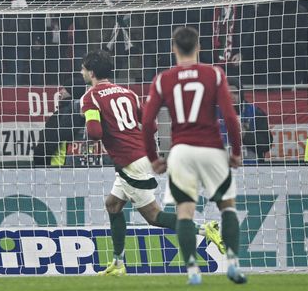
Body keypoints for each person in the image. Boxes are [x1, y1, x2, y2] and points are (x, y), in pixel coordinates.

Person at [80, 49, 224, 276]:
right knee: (112, 205)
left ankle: (205, 229)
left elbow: (95, 132)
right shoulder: (127, 93)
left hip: (129, 161)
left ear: (91, 72)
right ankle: (118, 264)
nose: (81, 71)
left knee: (154, 216)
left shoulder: (90, 97)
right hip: (142, 155)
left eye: (83, 68)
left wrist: (98, 127)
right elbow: (152, 125)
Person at [141, 26, 246, 285]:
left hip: (181, 151)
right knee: (227, 208)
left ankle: (192, 270)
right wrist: (236, 151)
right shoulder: (214, 74)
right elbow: (231, 118)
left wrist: (154, 157)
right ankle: (232, 263)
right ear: (198, 47)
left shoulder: (163, 79)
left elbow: (146, 122)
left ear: (173, 48)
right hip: (212, 149)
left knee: (185, 213)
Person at [222, 78, 272, 160]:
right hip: (223, 167)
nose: (231, 96)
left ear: (241, 93)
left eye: (235, 92)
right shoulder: (214, 114)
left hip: (253, 168)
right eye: (227, 93)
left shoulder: (256, 113)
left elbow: (266, 145)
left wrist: (245, 134)